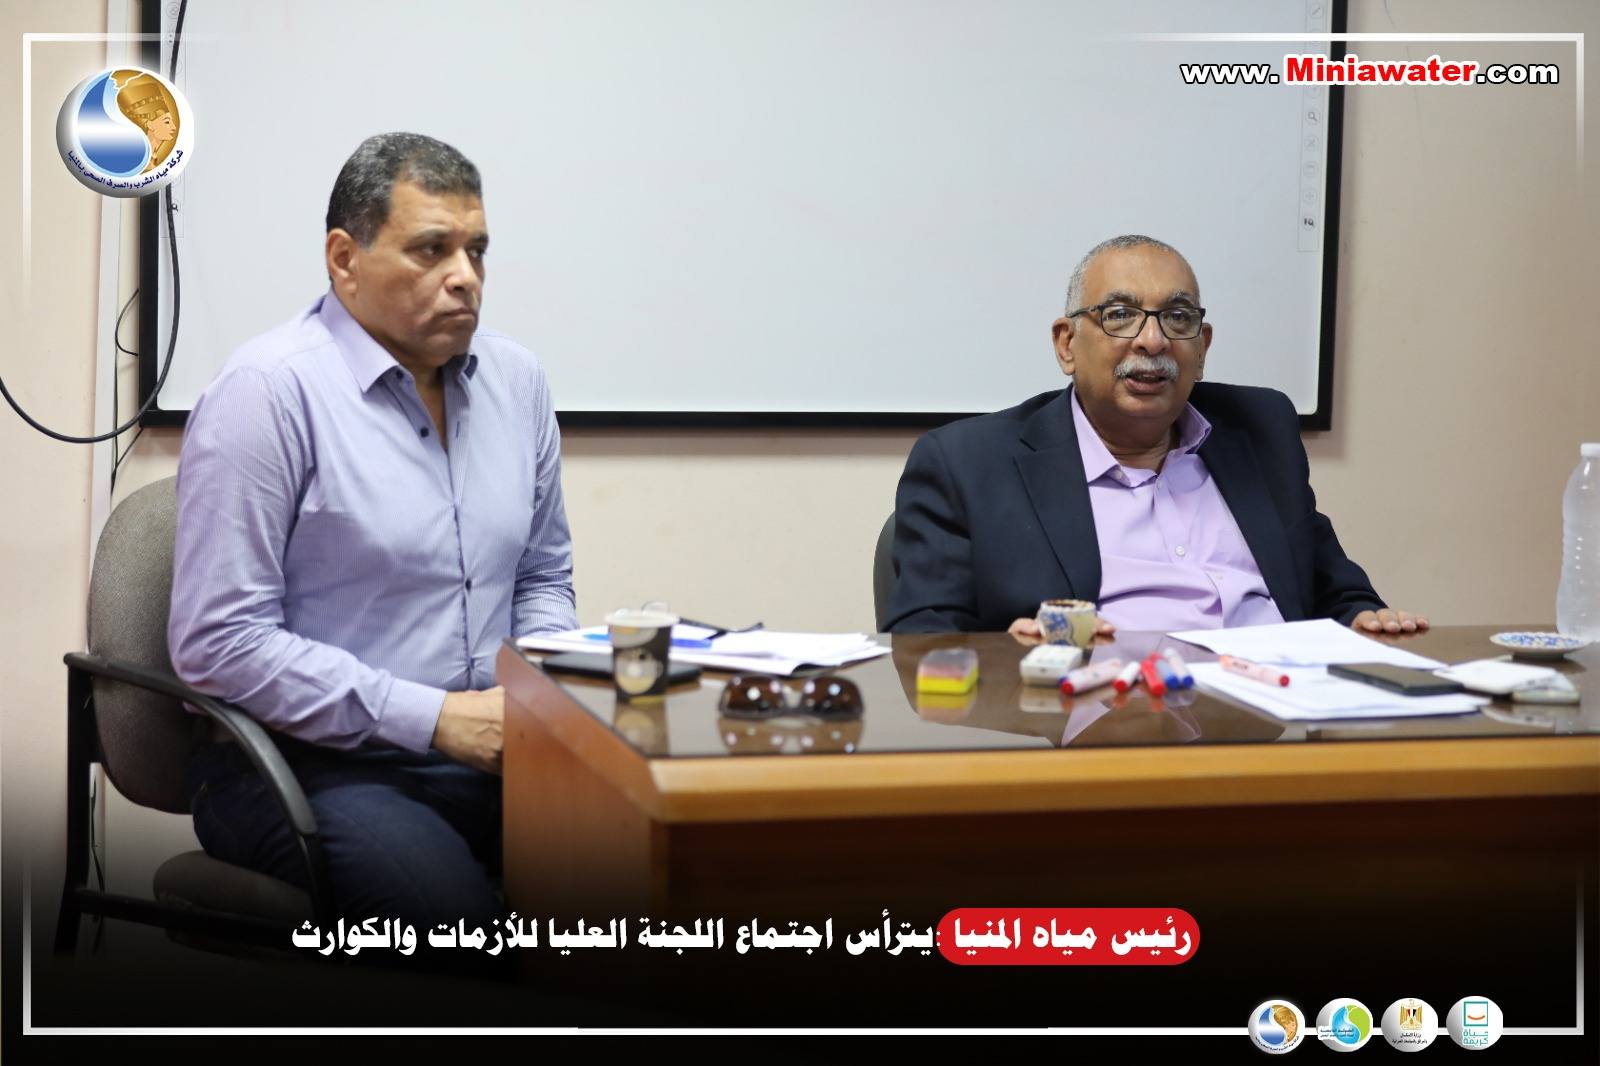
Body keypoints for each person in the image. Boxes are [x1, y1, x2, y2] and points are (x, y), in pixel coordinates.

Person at [168, 133, 576, 932]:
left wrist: (536, 696)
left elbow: (542, 576)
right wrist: (434, 720)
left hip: (490, 754)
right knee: (457, 936)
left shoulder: (517, 381)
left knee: (651, 875)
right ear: (344, 259)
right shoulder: (267, 393)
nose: (465, 276)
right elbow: (218, 642)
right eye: (431, 249)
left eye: (476, 250)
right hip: (304, 764)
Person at [883, 234, 1427, 639]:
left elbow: (1335, 590)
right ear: (1067, 344)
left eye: (1178, 317)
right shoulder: (969, 463)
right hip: (1100, 725)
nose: (1152, 340)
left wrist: (1363, 620)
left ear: (1202, 346)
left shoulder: (1261, 430)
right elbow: (922, 643)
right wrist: (1011, 658)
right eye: (1120, 315)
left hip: (1272, 718)